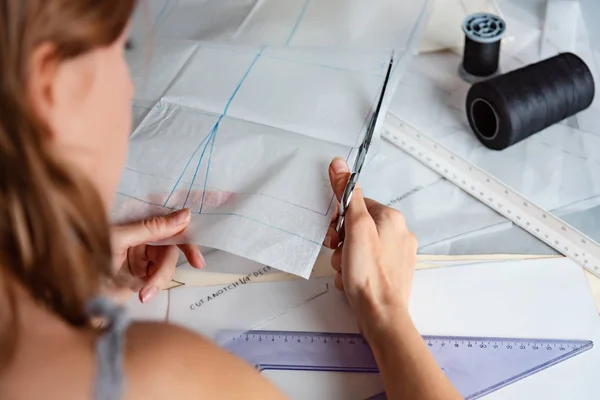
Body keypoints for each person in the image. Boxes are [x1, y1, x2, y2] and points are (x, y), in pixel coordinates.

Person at [0, 1, 461, 399]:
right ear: (49, 87)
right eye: (120, 53)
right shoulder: (158, 377)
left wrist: (64, 290)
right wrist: (384, 311)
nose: (129, 88)